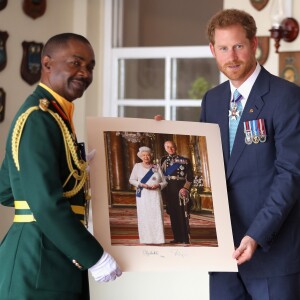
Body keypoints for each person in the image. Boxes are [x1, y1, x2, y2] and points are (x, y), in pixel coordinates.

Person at [0, 33, 122, 300]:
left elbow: (7, 190)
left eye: (90, 67)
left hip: (51, 256)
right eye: (76, 63)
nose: (85, 73)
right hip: (38, 265)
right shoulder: (39, 118)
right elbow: (44, 203)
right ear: (47, 64)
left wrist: (72, 174)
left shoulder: (55, 115)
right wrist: (94, 256)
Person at [201, 9, 300, 299]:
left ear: (254, 44)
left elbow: (291, 175)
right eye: (223, 48)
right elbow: (203, 163)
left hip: (273, 254)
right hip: (223, 256)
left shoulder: (287, 97)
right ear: (212, 50)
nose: (231, 56)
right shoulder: (212, 100)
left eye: (238, 46)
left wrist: (256, 235)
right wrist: (162, 139)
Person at [129, 146, 167, 244]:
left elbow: (165, 182)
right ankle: (146, 239)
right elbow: (131, 180)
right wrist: (141, 184)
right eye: (144, 155)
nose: (146, 157)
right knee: (145, 216)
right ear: (141, 157)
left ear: (151, 156)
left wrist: (158, 185)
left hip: (155, 195)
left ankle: (159, 239)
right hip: (143, 195)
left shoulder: (156, 167)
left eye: (148, 155)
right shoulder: (137, 166)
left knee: (156, 215)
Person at [160, 140, 193, 244]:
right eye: (168, 147)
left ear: (176, 147)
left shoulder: (185, 160)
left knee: (182, 213)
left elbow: (190, 177)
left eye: (172, 147)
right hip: (168, 189)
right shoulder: (163, 160)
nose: (170, 149)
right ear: (165, 148)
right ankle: (177, 238)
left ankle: (184, 238)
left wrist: (185, 188)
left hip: (180, 188)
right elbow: (160, 175)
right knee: (173, 213)